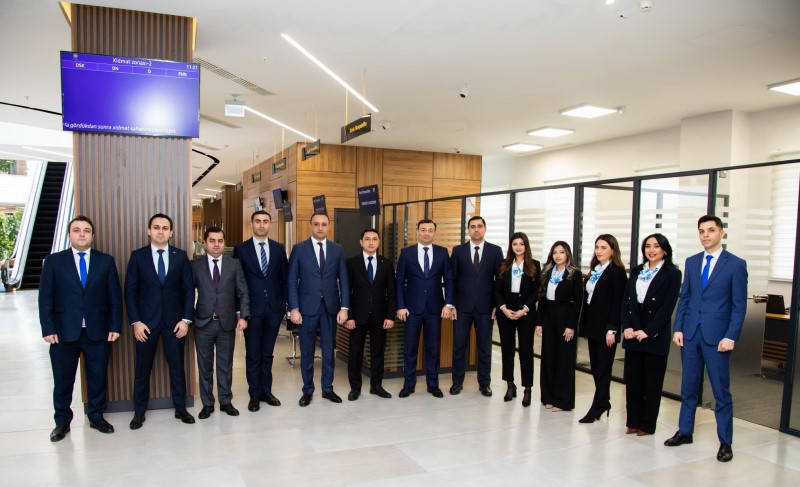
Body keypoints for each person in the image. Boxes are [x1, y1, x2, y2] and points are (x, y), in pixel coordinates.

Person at [665, 215, 748, 463]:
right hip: (691, 334)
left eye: (711, 230)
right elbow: (686, 298)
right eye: (701, 231)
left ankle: (725, 442)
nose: (705, 235)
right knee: (688, 387)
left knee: (721, 391)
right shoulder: (692, 262)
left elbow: (739, 305)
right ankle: (685, 431)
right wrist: (678, 328)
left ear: (722, 233)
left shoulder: (735, 264)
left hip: (718, 337)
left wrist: (731, 335)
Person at [39, 215, 122, 441]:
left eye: (86, 230)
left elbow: (115, 297)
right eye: (77, 230)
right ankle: (62, 423)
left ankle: (96, 416)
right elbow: (45, 298)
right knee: (63, 380)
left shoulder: (105, 261)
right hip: (63, 333)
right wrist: (48, 329)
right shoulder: (54, 262)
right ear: (69, 235)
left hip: (98, 331)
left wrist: (115, 325)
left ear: (93, 235)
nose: (82, 234)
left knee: (97, 377)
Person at [125, 213, 196, 429]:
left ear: (171, 232)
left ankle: (181, 409)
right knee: (142, 369)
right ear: (149, 231)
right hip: (146, 324)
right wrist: (136, 322)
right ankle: (139, 412)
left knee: (177, 367)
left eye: (165, 228)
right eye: (156, 227)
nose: (161, 231)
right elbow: (130, 291)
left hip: (175, 324)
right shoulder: (138, 256)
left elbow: (188, 290)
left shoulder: (180, 256)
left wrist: (186, 320)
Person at [622, 233, 681, 436]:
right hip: (633, 333)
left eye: (656, 246)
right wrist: (627, 326)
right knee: (633, 383)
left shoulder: (672, 273)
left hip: (654, 334)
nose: (651, 250)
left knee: (652, 384)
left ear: (665, 250)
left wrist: (648, 331)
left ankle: (647, 425)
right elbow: (627, 300)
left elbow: (667, 307)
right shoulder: (637, 271)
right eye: (648, 246)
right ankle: (633, 421)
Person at [287, 213, 349, 407]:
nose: (320, 228)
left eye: (323, 224)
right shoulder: (299, 249)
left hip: (330, 308)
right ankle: (307, 390)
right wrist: (294, 308)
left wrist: (344, 307)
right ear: (310, 226)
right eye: (316, 224)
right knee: (307, 351)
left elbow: (344, 279)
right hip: (306, 308)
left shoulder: (337, 249)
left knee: (329, 351)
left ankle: (327, 389)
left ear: (329, 227)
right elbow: (291, 280)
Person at [191, 227, 250, 419]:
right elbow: (187, 294)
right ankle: (207, 404)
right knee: (205, 366)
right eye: (212, 240)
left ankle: (225, 401)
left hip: (227, 323)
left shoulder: (234, 264)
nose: (216, 244)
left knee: (225, 365)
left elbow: (243, 292)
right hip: (203, 324)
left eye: (220, 241)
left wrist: (243, 316)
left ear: (224, 243)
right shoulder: (195, 265)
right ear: (205, 243)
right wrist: (188, 318)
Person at [233, 210, 288, 412]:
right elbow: (237, 283)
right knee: (253, 354)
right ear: (252, 223)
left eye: (265, 221)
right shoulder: (241, 249)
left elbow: (285, 278)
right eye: (258, 221)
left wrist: (283, 305)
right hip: (252, 311)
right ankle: (254, 395)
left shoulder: (278, 248)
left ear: (270, 224)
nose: (262, 225)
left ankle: (266, 391)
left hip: (273, 310)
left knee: (268, 354)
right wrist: (240, 312)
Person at [396, 219, 455, 399]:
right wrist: (401, 306)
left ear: (434, 232)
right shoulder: (406, 253)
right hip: (411, 309)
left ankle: (433, 385)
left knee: (433, 349)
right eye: (423, 230)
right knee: (410, 348)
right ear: (417, 231)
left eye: (430, 230)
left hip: (434, 309)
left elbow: (449, 279)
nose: (426, 233)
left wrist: (448, 304)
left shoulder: (442, 252)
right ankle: (409, 384)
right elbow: (399, 281)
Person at [449, 216, 503, 397]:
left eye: (479, 226)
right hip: (462, 308)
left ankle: (485, 383)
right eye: (472, 226)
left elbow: (499, 281)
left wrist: (497, 305)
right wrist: (452, 304)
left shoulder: (495, 251)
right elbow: (452, 280)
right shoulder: (458, 251)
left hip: (486, 308)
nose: (476, 229)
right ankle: (457, 382)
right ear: (468, 230)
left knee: (485, 348)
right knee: (459, 347)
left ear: (485, 229)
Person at [577, 234, 627, 423]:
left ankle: (598, 405)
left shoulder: (617, 272)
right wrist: (584, 328)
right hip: (593, 327)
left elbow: (617, 303)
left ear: (613, 250)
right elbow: (588, 301)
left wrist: (612, 330)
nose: (599, 251)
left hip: (607, 330)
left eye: (603, 247)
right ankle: (604, 401)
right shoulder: (595, 270)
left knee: (604, 369)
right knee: (596, 368)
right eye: (597, 247)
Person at [344, 229, 396, 401]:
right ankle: (355, 388)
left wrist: (390, 316)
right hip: (357, 317)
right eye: (367, 239)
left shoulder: (386, 263)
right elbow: (346, 291)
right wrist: (349, 316)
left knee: (377, 354)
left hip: (380, 317)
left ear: (379, 242)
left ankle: (376, 386)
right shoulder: (352, 263)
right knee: (355, 354)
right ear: (361, 242)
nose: (371, 242)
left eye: (374, 239)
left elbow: (392, 292)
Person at [494, 232, 540, 406]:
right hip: (506, 310)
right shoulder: (503, 264)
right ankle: (510, 384)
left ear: (526, 246)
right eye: (515, 244)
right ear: (511, 246)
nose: (518, 247)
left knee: (526, 351)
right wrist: (503, 308)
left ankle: (527, 388)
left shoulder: (534, 265)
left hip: (525, 311)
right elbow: (496, 289)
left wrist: (524, 309)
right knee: (507, 350)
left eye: (521, 244)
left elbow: (537, 291)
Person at [536, 241, 583, 412]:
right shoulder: (547, 272)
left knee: (564, 358)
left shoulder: (574, 274)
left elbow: (577, 302)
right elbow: (542, 298)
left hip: (565, 317)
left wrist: (571, 325)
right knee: (548, 357)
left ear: (567, 254)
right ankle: (547, 397)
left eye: (561, 252)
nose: (558, 255)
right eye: (555, 252)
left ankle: (562, 401)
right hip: (549, 315)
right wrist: (539, 322)